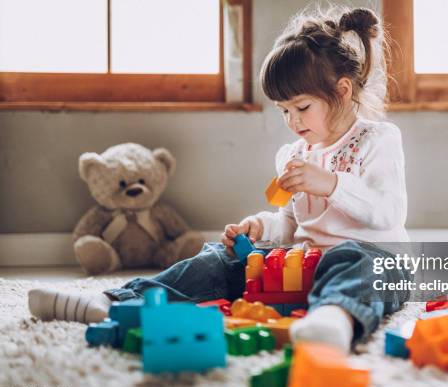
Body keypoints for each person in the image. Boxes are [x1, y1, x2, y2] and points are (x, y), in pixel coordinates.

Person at [28, 5, 411, 353]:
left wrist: (329, 183)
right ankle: (113, 301)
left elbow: (386, 213)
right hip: (305, 266)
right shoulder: (294, 155)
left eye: (302, 108)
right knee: (221, 257)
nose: (292, 122)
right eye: (283, 111)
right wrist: (260, 226)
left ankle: (334, 320)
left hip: (377, 263)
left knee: (354, 260)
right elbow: (294, 224)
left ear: (342, 91)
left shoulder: (378, 140)